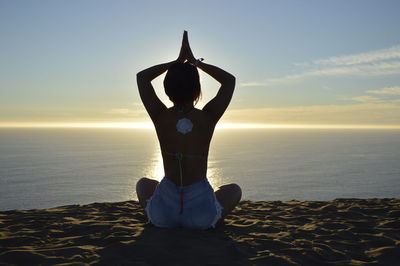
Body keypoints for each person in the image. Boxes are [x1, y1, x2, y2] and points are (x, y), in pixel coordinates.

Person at [135, 31, 242, 229]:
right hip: (201, 214)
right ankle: (211, 219)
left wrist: (175, 62)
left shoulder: (160, 116)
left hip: (163, 213)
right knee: (233, 190)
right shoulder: (207, 117)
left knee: (143, 184)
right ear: (197, 90)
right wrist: (195, 62)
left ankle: (157, 216)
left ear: (167, 89)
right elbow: (229, 81)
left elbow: (142, 78)